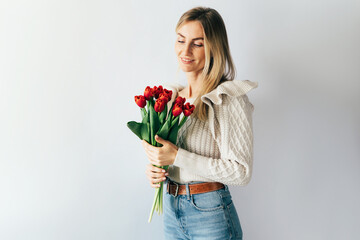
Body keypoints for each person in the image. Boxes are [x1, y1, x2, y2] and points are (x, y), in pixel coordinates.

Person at [141, 6, 258, 240]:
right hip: (172, 209)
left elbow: (241, 172)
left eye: (197, 43)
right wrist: (157, 170)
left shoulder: (226, 98)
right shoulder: (171, 99)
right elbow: (172, 159)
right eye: (181, 40)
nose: (185, 50)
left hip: (210, 214)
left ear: (214, 48)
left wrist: (177, 157)